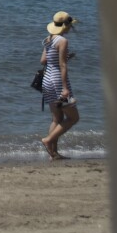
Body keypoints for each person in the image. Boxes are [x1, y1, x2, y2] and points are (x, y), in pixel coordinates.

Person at [39, 11, 80, 160]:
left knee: (56, 118)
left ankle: (53, 153)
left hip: (47, 80)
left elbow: (43, 61)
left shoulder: (48, 39)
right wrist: (65, 88)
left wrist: (63, 57)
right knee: (73, 118)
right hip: (57, 81)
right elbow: (62, 65)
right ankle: (48, 140)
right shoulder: (62, 41)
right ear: (65, 26)